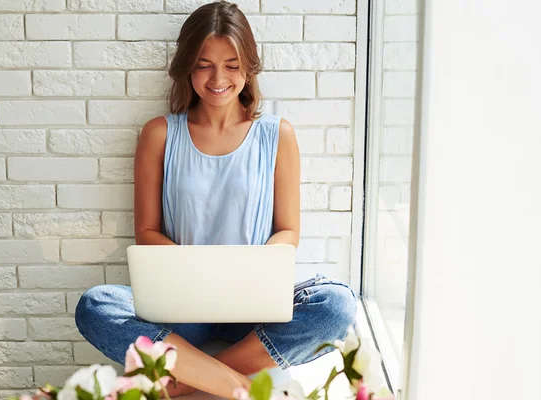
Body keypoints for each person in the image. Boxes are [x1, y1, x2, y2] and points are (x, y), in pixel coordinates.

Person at [75, 1, 358, 398]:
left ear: (248, 66)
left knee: (338, 304)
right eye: (204, 64)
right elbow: (147, 231)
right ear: (187, 67)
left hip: (254, 310)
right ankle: (235, 384)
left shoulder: (278, 135)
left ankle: (188, 380)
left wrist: (253, 269)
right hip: (179, 310)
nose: (218, 77)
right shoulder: (159, 134)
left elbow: (288, 230)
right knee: (96, 305)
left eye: (231, 64)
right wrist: (197, 274)